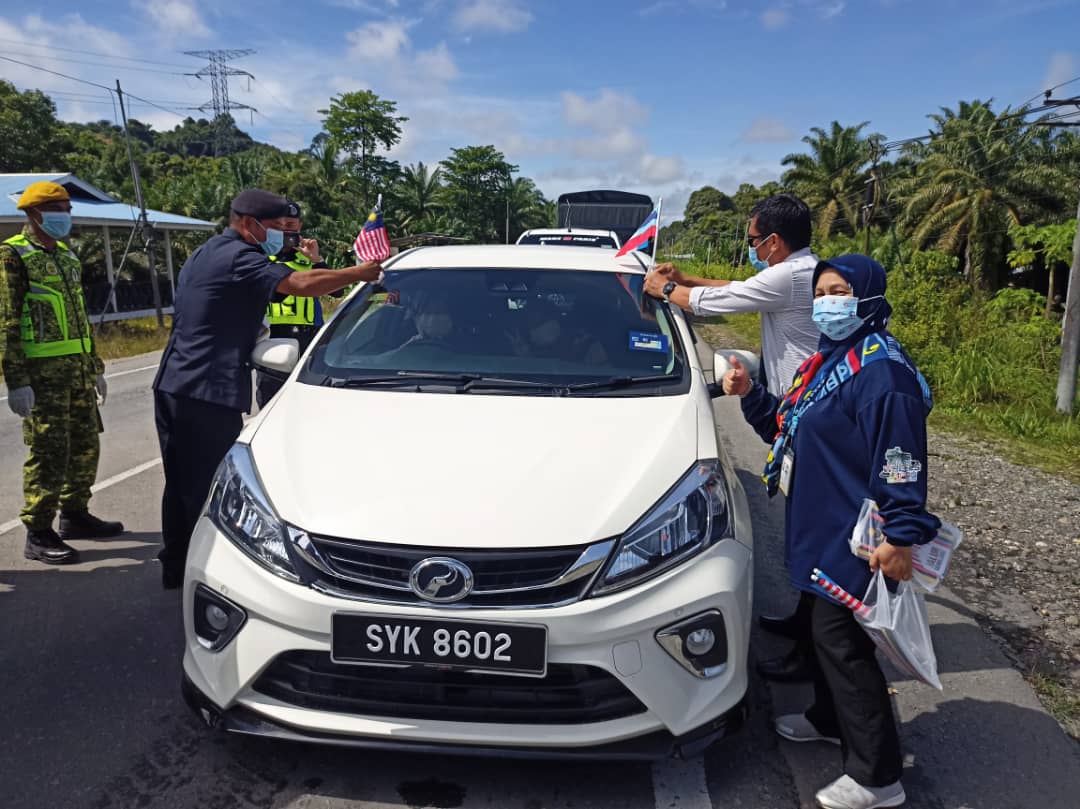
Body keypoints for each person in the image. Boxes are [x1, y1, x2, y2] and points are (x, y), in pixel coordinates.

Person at [723, 254, 938, 809]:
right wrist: (750, 392)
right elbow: (788, 426)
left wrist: (901, 536)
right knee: (822, 635)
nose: (827, 303)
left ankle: (877, 776)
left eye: (839, 292)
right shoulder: (830, 359)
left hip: (857, 537)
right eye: (820, 293)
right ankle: (827, 718)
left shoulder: (883, 372)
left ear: (868, 298)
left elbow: (900, 460)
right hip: (820, 526)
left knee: (843, 645)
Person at [153, 189, 383, 590]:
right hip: (204, 389)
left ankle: (176, 565)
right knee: (209, 486)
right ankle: (206, 573)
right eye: (276, 228)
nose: (282, 236)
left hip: (178, 382)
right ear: (249, 224)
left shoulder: (209, 251)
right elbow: (300, 283)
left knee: (182, 482)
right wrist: (357, 273)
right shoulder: (240, 257)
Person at [644, 192, 820, 683]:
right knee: (805, 525)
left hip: (809, 413)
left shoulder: (791, 276)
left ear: (775, 242)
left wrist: (665, 290)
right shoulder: (796, 274)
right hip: (800, 409)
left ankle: (814, 647)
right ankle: (805, 623)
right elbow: (739, 288)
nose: (751, 247)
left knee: (810, 531)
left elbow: (719, 301)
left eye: (753, 240)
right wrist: (684, 280)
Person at [0, 181, 123, 565]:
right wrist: (16, 380)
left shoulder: (67, 256)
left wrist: (95, 366)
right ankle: (38, 531)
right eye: (58, 209)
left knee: (85, 447)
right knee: (49, 452)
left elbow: (78, 317)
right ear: (34, 213)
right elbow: (6, 321)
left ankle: (75, 514)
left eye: (68, 209)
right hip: (42, 376)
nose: (66, 216)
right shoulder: (13, 255)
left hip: (77, 371)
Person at [254, 201, 346, 408]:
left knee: (312, 400)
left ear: (300, 226)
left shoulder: (309, 256)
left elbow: (337, 291)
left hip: (308, 338)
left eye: (291, 225)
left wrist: (317, 260)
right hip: (272, 338)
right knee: (270, 402)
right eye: (281, 225)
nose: (287, 230)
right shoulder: (260, 257)